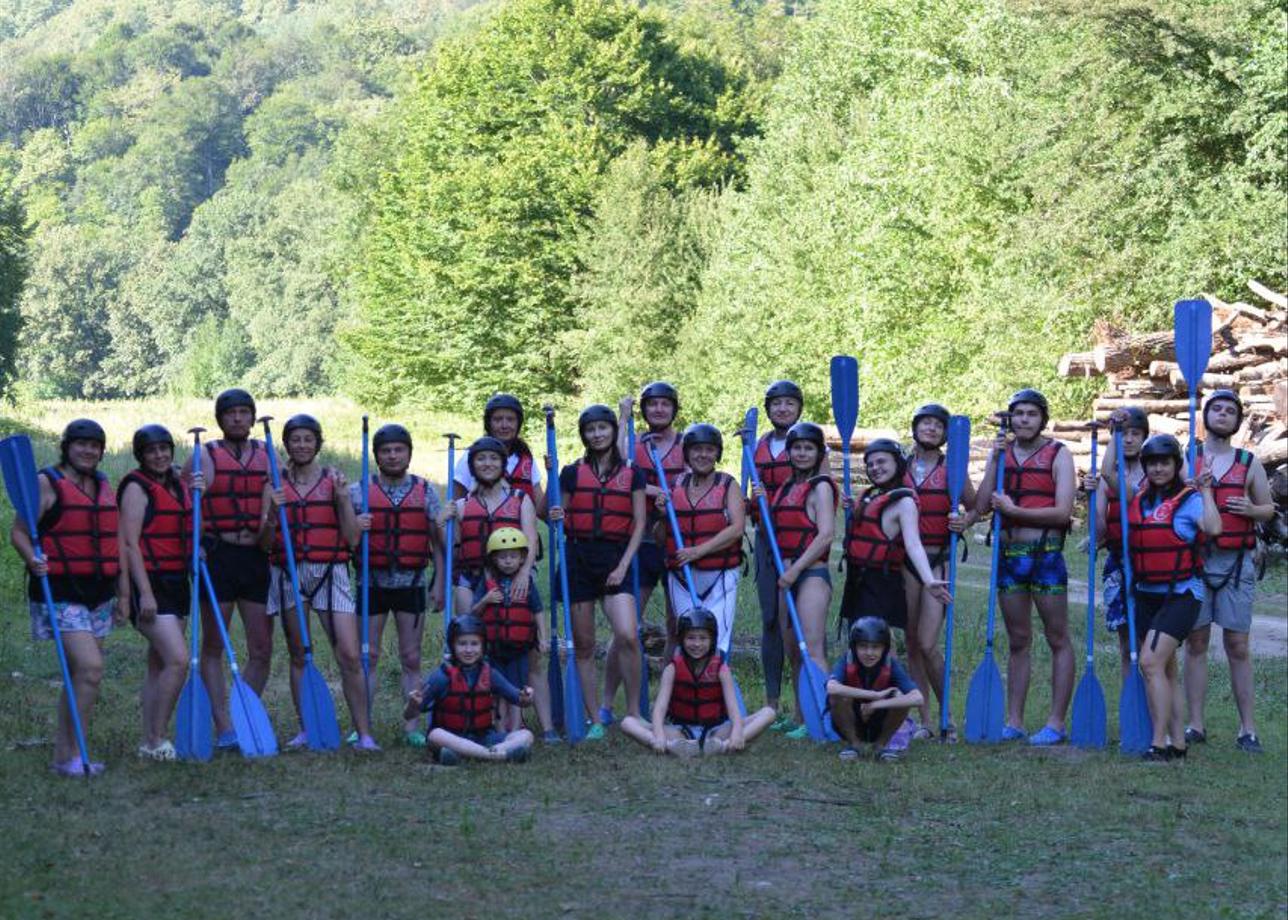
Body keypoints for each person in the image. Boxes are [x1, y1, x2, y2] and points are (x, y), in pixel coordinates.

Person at [10, 419, 125, 776]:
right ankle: (67, 755)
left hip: (99, 591)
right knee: (91, 669)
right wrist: (33, 559)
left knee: (81, 674)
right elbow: (19, 532)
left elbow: (113, 539)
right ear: (67, 446)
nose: (89, 451)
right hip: (60, 590)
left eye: (95, 445)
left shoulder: (103, 485)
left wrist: (123, 593)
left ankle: (69, 752)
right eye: (81, 444)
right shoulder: (46, 483)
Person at [258, 414, 373, 751]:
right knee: (298, 654)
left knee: (349, 654)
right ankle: (306, 728)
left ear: (318, 443)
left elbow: (352, 539)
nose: (302, 445)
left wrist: (341, 501)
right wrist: (270, 516)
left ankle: (364, 733)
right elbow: (265, 545)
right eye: (296, 439)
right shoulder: (274, 485)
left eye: (309, 439)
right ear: (287, 445)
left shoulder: (335, 481)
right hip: (289, 573)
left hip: (330, 572)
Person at [975, 389, 1076, 745]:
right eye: (1018, 414)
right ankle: (1014, 720)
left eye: (1031, 414)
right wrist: (993, 461)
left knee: (1057, 636)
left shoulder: (1059, 454)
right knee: (1018, 639)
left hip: (1045, 552)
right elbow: (983, 504)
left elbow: (1064, 511)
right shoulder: (1002, 453)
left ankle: (1055, 722)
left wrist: (1016, 511)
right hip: (1009, 556)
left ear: (1042, 419)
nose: (1023, 420)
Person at [547, 404, 647, 739]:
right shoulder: (573, 473)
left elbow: (639, 524)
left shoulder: (633, 473)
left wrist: (622, 566)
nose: (597, 434)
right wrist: (550, 476)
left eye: (603, 428)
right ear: (584, 435)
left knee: (628, 635)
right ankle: (595, 719)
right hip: (577, 558)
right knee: (585, 645)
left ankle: (633, 712)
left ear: (613, 431)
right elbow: (550, 513)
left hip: (615, 557)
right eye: (591, 430)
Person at [1183, 390, 1275, 753]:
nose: (1222, 414)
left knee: (1237, 645)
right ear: (1205, 416)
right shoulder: (1187, 458)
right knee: (1196, 642)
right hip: (1196, 561)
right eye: (1216, 409)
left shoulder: (1247, 462)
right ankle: (1195, 724)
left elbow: (1268, 508)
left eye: (1230, 411)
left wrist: (1251, 510)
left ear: (1237, 421)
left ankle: (1247, 729)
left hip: (1236, 563)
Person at [840, 438, 950, 737]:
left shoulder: (903, 501)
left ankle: (921, 720)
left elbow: (913, 544)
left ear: (897, 463)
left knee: (881, 654)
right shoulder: (869, 496)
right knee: (860, 654)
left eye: (882, 462)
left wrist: (928, 580)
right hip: (858, 584)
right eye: (871, 464)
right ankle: (864, 721)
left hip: (882, 585)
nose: (875, 468)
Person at [185, 388, 274, 751]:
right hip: (218, 556)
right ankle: (223, 726)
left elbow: (286, 487)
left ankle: (242, 713)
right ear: (220, 419)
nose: (237, 418)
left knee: (262, 649)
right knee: (213, 646)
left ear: (252, 418)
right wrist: (191, 485)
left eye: (243, 412)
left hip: (255, 557)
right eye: (230, 413)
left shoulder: (267, 455)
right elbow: (189, 495)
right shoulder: (206, 454)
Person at [1127, 435, 1221, 761]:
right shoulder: (1140, 499)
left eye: (1165, 462)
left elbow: (1214, 527)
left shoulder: (1190, 500)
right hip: (1146, 593)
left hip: (1182, 593)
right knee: (1165, 670)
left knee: (1150, 663)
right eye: (1152, 463)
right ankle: (1178, 743)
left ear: (1175, 465)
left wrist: (1207, 491)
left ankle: (1158, 743)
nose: (1158, 468)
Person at [352, 423, 446, 748]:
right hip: (371, 583)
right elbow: (346, 537)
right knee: (369, 656)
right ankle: (361, 725)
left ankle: (412, 726)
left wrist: (440, 583)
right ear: (376, 455)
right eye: (386, 451)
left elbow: (438, 541)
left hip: (412, 582)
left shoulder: (425, 490)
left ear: (408, 453)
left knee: (411, 657)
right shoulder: (358, 490)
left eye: (398, 450)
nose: (392, 456)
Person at [599, 381, 684, 723]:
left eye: (665, 405)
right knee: (626, 629)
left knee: (677, 627)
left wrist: (670, 494)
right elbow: (614, 466)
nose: (659, 410)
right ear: (645, 411)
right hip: (642, 545)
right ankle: (605, 704)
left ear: (673, 409)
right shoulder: (633, 444)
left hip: (678, 544)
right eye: (653, 405)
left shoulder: (687, 444)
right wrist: (622, 413)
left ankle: (669, 701)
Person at [751, 421, 837, 741]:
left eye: (808, 448)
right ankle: (803, 716)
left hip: (810, 573)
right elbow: (773, 525)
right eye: (797, 448)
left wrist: (795, 570)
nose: (802, 453)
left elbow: (826, 534)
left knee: (812, 648)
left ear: (817, 453)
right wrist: (761, 498)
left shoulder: (822, 486)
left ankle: (825, 717)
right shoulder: (786, 486)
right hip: (788, 575)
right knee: (793, 651)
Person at [118, 425, 198, 761]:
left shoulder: (177, 483)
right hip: (148, 582)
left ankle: (147, 740)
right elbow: (129, 543)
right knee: (179, 661)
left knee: (159, 664)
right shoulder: (136, 488)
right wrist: (144, 594)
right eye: (152, 451)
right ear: (141, 455)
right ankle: (157, 739)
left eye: (164, 449)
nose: (160, 455)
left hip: (176, 580)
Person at [902, 404, 977, 739]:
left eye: (937, 425)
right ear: (916, 428)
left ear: (946, 434)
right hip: (903, 564)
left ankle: (947, 717)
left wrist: (965, 520)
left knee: (928, 642)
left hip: (938, 560)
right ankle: (923, 720)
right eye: (925, 423)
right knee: (912, 644)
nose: (931, 429)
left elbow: (976, 506)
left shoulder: (954, 469)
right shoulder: (901, 466)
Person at [620, 608, 775, 756]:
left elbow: (734, 712)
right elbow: (659, 710)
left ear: (712, 640)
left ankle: (724, 746)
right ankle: (668, 746)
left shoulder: (722, 669)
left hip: (715, 731)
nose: (697, 644)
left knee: (769, 713)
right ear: (682, 639)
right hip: (681, 731)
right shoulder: (672, 669)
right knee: (628, 722)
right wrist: (660, 736)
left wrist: (737, 733)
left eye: (703, 638)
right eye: (691, 638)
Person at [657, 423, 745, 652]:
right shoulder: (674, 485)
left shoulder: (728, 484)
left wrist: (698, 551)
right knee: (687, 641)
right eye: (696, 449)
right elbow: (660, 535)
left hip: (720, 575)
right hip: (682, 577)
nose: (703, 455)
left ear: (718, 453)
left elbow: (737, 529)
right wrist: (661, 514)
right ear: (686, 453)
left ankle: (719, 684)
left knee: (715, 642)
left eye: (709, 449)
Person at [405, 615, 534, 765]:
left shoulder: (490, 674)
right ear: (453, 645)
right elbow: (409, 715)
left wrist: (526, 697)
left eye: (474, 644)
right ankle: (498, 755)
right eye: (462, 644)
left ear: (482, 646)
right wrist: (413, 704)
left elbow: (519, 699)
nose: (468, 650)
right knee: (435, 735)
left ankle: (469, 755)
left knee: (526, 735)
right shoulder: (441, 677)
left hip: (484, 738)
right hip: (452, 737)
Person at [470, 527, 555, 739]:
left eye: (513, 556)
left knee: (517, 691)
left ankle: (515, 731)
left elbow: (538, 611)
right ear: (494, 559)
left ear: (522, 559)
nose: (508, 561)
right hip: (494, 648)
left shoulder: (527, 584)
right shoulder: (486, 584)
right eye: (503, 557)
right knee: (498, 692)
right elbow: (473, 613)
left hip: (519, 648)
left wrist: (543, 638)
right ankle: (499, 732)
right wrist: (485, 600)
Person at [753, 380, 804, 730]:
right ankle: (772, 705)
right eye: (777, 404)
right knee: (770, 620)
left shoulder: (806, 443)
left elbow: (822, 485)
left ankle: (803, 709)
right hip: (764, 540)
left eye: (789, 403)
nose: (783, 409)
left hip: (797, 540)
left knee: (794, 625)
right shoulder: (757, 446)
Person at [440, 436, 539, 616]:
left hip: (513, 574)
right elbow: (450, 548)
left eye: (494, 458)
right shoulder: (462, 505)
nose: (487, 464)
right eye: (481, 458)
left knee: (516, 632)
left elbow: (531, 540)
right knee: (467, 630)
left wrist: (524, 573)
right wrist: (443, 521)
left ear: (503, 464)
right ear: (472, 466)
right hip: (472, 577)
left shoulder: (520, 499)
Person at [1087, 406, 1150, 681]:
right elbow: (1099, 527)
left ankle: (1155, 704)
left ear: (1144, 437)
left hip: (1150, 562)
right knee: (1127, 644)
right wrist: (1090, 500)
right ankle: (1130, 704)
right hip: (1118, 561)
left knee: (1149, 642)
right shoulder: (1105, 480)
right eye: (1121, 434)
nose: (1128, 440)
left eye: (1135, 434)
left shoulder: (1157, 472)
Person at [827, 616, 924, 762]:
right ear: (854, 647)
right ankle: (854, 745)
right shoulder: (846, 661)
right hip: (851, 720)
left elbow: (918, 698)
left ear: (884, 649)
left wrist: (876, 704)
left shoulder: (891, 665)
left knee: (901, 698)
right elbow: (831, 688)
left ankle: (881, 745)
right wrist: (874, 695)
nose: (869, 653)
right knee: (838, 696)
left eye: (875, 647)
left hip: (879, 721)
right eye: (863, 646)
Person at [452, 393, 546, 515]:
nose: (504, 425)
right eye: (498, 419)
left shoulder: (525, 458)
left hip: (521, 532)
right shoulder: (472, 457)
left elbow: (541, 512)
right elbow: (455, 504)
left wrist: (551, 471)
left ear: (518, 424)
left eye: (510, 419)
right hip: (482, 531)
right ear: (488, 423)